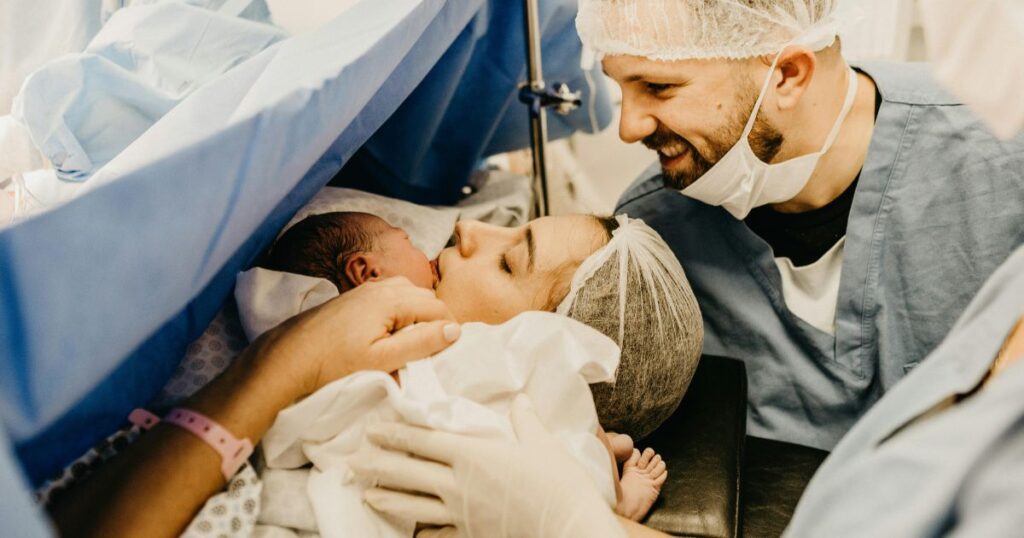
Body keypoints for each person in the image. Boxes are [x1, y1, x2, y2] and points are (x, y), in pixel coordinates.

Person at [576, 0, 1024, 450]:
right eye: (618, 86)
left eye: (657, 86)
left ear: (788, 74)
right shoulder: (659, 230)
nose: (628, 128)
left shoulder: (1000, 158)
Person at [259, 210, 674, 520]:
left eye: (507, 262)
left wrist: (611, 501)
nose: (467, 227)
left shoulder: (529, 356)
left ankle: (616, 487)